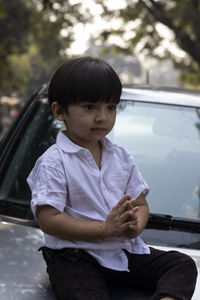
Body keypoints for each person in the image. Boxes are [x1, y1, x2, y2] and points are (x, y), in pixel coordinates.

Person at [27, 56, 197, 300]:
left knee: (181, 264)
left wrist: (135, 225)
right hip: (74, 257)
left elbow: (139, 204)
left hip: (121, 250)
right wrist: (103, 229)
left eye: (110, 107)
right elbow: (49, 220)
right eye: (89, 107)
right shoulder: (54, 161)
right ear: (59, 111)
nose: (102, 117)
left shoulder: (121, 157)